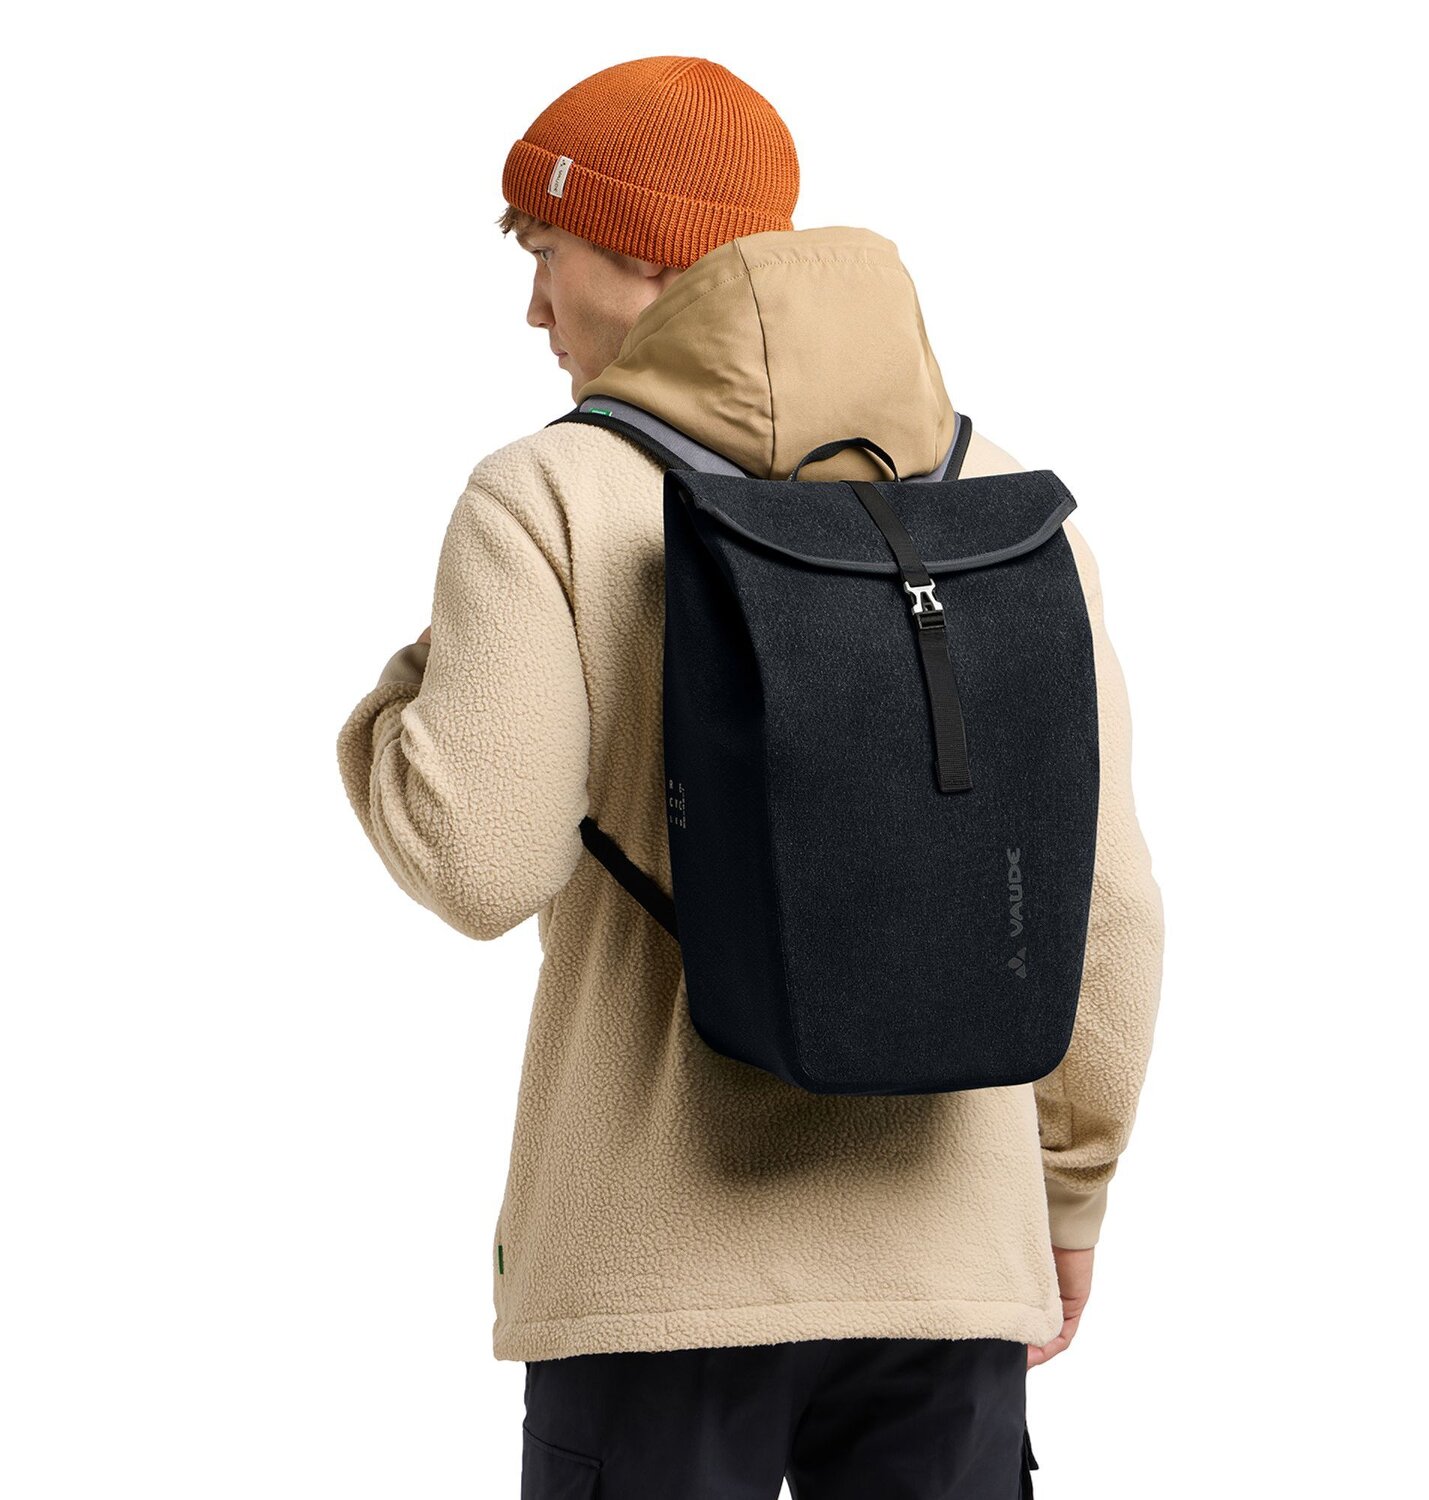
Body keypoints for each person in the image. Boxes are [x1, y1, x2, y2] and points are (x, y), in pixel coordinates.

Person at [335, 54, 1166, 1500]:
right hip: (951, 1270)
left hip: (652, 1284)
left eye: (546, 251)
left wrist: (393, 704)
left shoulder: (549, 494)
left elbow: (476, 862)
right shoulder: (1005, 503)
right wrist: (1068, 1194)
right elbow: (1105, 903)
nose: (533, 309)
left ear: (648, 254)